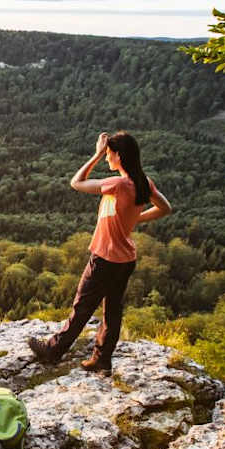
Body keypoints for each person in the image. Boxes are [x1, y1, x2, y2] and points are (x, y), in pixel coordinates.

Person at [28, 131, 173, 374]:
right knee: (112, 310)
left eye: (108, 155)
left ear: (118, 155)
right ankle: (102, 359)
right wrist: (135, 219)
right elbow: (166, 208)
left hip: (105, 257)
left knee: (82, 307)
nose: (106, 159)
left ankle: (52, 351)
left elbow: (76, 182)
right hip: (126, 258)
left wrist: (94, 154)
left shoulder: (117, 184)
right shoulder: (143, 182)